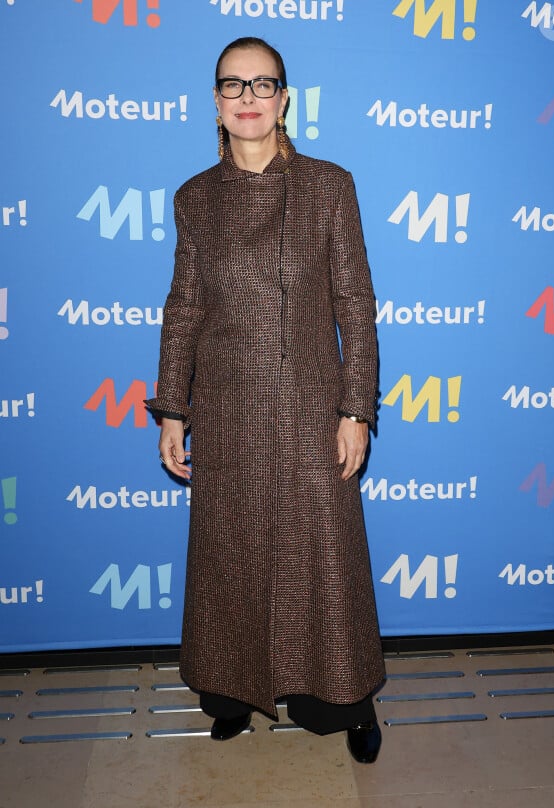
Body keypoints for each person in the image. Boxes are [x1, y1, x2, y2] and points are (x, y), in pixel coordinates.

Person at [146, 36, 384, 764]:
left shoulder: (328, 186)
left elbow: (355, 304)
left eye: (263, 84)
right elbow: (184, 306)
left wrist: (356, 409)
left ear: (285, 98)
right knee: (232, 560)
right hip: (228, 406)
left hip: (314, 407)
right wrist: (173, 411)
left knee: (325, 561)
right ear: (215, 103)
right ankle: (230, 691)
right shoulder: (194, 198)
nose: (248, 98)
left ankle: (345, 701)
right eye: (233, 85)